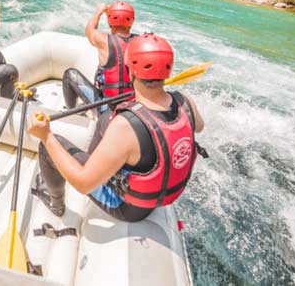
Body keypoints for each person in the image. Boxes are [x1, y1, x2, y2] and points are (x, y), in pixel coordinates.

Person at [28, 33, 203, 222]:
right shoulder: (186, 102)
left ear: (130, 71)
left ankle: (56, 204)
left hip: (126, 206)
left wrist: (45, 135)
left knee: (48, 147)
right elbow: (199, 127)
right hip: (160, 195)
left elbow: (83, 184)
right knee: (104, 119)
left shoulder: (125, 126)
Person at [62, 1, 136, 110]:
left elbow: (90, 30)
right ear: (132, 20)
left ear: (109, 20)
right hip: (133, 106)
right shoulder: (141, 43)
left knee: (70, 75)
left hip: (108, 108)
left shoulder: (104, 41)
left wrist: (99, 12)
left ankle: (71, 111)